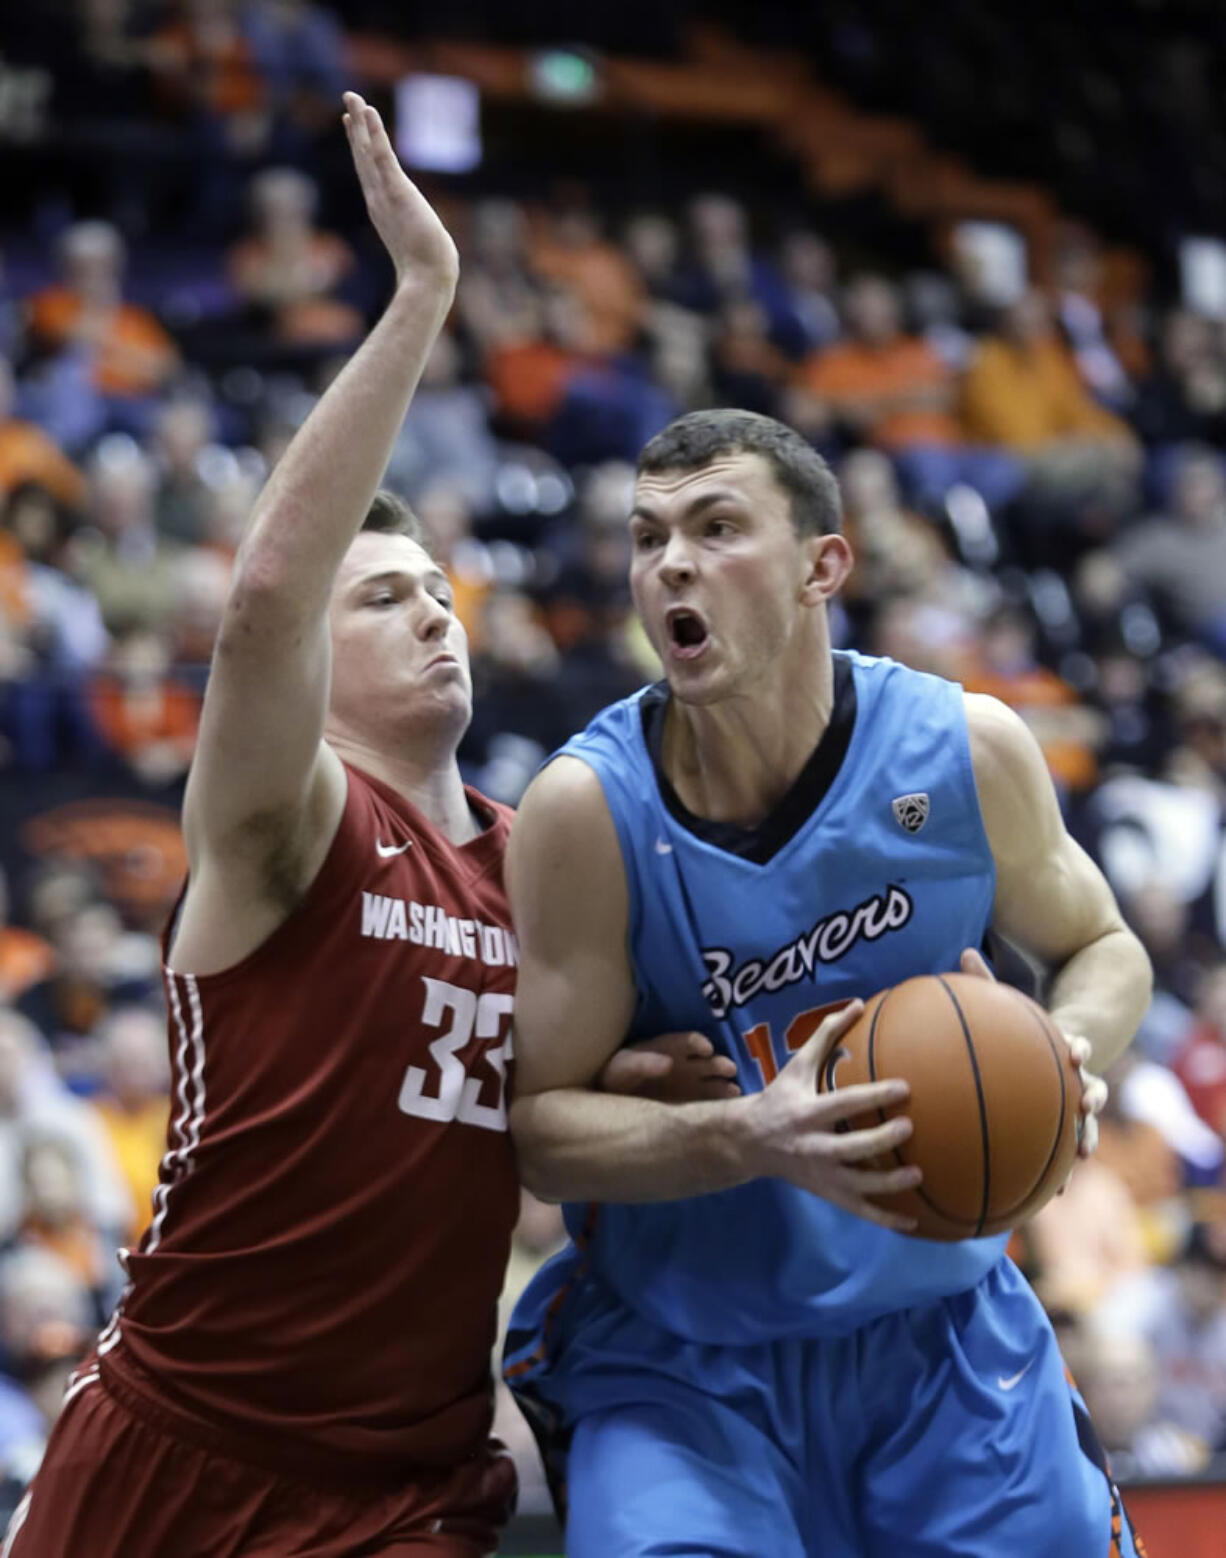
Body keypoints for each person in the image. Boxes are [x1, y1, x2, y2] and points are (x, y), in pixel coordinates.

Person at [2, 93, 720, 1558]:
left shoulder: (542, 853)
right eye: (383, 597)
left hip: (404, 1484)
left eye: (438, 591)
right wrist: (422, 299)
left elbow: (534, 1117)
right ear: (314, 665)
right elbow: (267, 593)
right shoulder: (288, 820)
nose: (433, 611)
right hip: (182, 1439)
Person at [503, 408, 1154, 1558]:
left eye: (715, 527)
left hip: (941, 1337)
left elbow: (1104, 947)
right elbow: (536, 1133)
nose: (672, 565)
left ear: (822, 566)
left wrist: (1064, 1052)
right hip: (685, 1367)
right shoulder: (586, 811)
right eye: (647, 538)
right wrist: (747, 1132)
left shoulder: (962, 747)